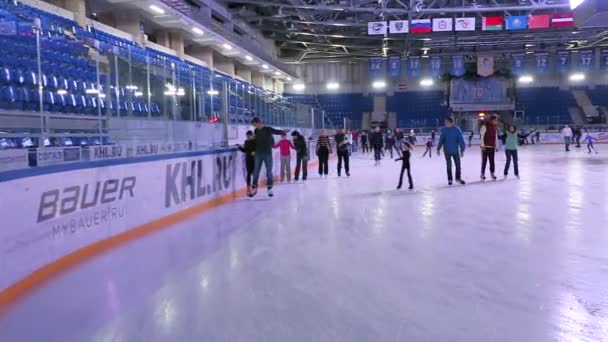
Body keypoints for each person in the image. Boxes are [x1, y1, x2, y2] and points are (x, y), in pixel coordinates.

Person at [250, 117, 285, 197]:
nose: (254, 126)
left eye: (254, 124)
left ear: (258, 122)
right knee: (255, 172)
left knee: (269, 171)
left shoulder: (267, 129)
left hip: (267, 154)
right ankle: (254, 188)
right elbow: (256, 141)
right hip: (258, 153)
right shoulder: (256, 131)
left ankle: (270, 188)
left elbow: (275, 131)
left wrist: (282, 131)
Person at [437, 117, 466, 185]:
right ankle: (450, 179)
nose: (445, 123)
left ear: (451, 122)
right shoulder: (444, 130)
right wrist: (438, 148)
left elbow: (461, 140)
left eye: (446, 122)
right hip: (447, 151)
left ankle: (458, 178)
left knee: (458, 165)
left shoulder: (457, 130)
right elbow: (441, 140)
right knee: (449, 166)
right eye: (445, 122)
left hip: (455, 151)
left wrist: (462, 150)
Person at [236, 130, 256, 196]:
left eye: (249, 136)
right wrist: (239, 146)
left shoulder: (255, 141)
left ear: (252, 135)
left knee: (254, 175)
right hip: (248, 160)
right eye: (247, 136)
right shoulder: (246, 142)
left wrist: (255, 152)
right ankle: (248, 189)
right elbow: (244, 150)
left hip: (255, 160)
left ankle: (254, 189)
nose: (247, 137)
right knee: (249, 174)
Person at [480, 115, 499, 181]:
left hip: (492, 147)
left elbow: (495, 137)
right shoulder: (484, 126)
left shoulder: (494, 127)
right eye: (495, 120)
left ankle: (492, 173)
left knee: (492, 161)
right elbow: (482, 136)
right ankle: (482, 174)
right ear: (492, 120)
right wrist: (482, 145)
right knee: (484, 161)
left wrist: (496, 146)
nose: (496, 121)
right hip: (485, 147)